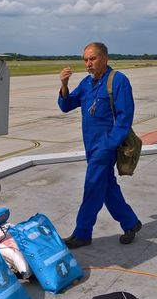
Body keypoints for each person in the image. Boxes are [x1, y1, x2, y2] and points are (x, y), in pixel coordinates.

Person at [57, 42, 142, 249]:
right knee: (106, 187)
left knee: (93, 186)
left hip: (105, 147)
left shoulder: (118, 81)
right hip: (90, 145)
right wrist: (64, 84)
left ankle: (82, 233)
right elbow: (66, 105)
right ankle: (131, 223)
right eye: (85, 60)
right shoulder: (87, 84)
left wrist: (109, 144)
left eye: (92, 59)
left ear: (105, 58)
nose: (88, 64)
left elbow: (124, 118)